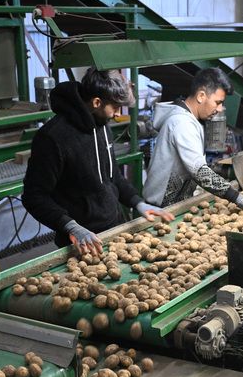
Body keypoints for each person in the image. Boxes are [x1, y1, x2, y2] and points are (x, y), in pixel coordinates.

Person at [22, 68, 173, 258]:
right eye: (115, 107)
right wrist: (71, 226)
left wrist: (138, 203)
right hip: (82, 242)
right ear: (96, 102)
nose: (118, 114)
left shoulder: (100, 126)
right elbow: (34, 196)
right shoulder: (52, 138)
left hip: (114, 228)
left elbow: (113, 177)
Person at [143, 68, 243, 218]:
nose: (220, 108)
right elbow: (200, 172)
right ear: (201, 96)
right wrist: (238, 198)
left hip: (173, 207)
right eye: (218, 102)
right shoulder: (182, 123)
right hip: (158, 211)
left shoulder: (190, 120)